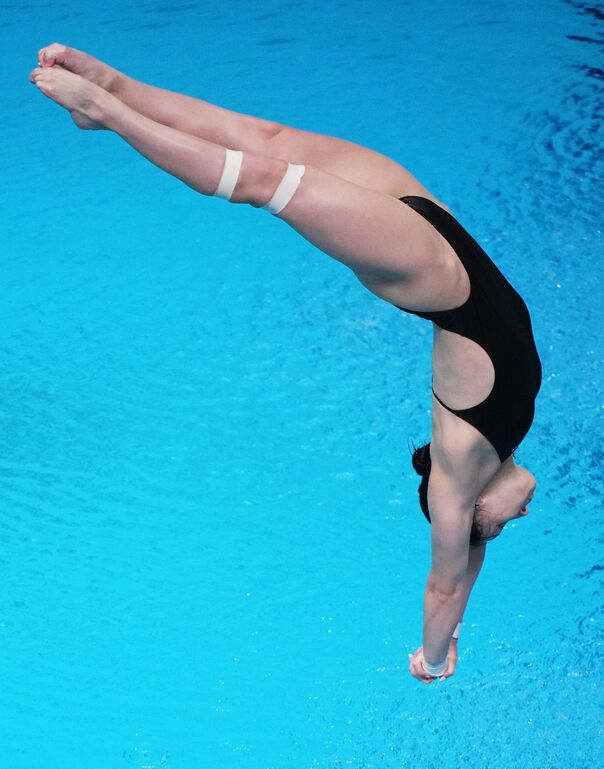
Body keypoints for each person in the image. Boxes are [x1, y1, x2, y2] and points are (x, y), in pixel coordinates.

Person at [30, 44, 542, 685]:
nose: (519, 518)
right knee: (266, 138)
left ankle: (109, 114)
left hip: (425, 268)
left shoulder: (457, 480)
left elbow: (445, 583)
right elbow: (468, 576)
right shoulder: (499, 454)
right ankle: (116, 84)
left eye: (496, 528)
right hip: (434, 223)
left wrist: (434, 659)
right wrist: (461, 631)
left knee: (259, 179)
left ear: (465, 515)